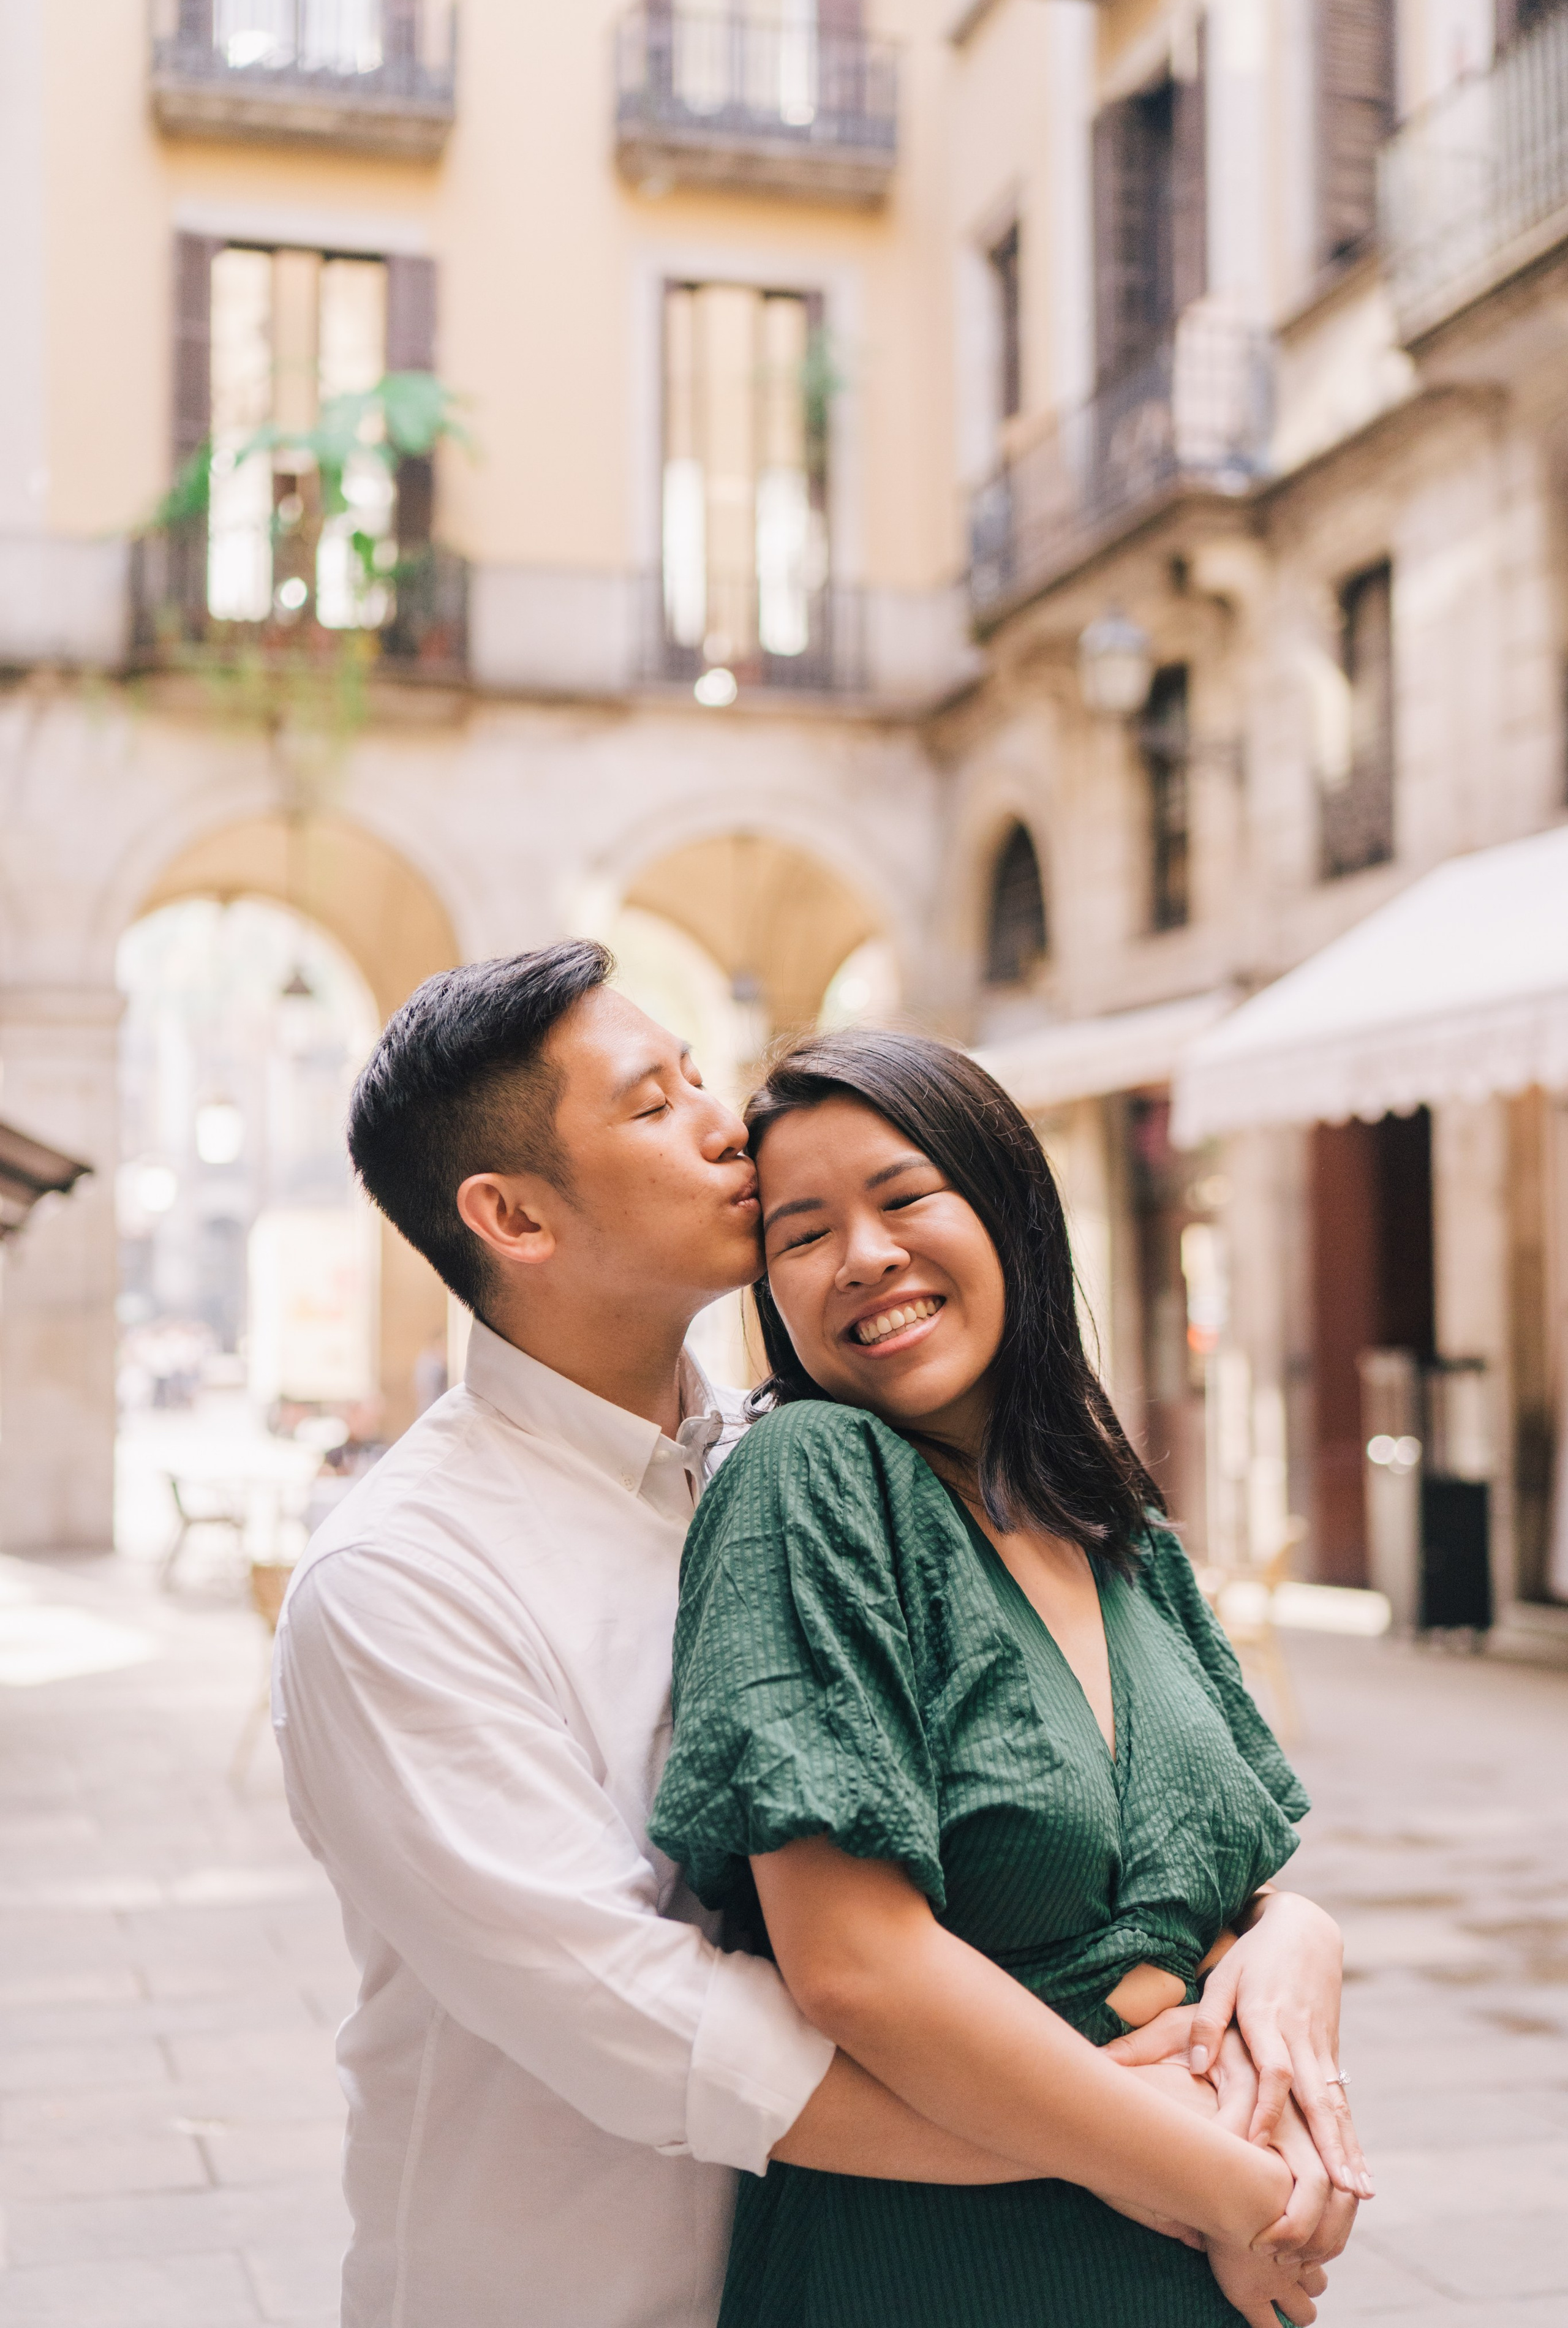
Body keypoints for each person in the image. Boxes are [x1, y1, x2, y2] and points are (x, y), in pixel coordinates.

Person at [273, 944, 1362, 2328]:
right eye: (654, 1104)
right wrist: (1155, 2156)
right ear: (514, 1217)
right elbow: (641, 2022)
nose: (724, 1124)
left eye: (694, 1077)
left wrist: (1289, 1935)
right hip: (578, 2290)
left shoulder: (828, 1463)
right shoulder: (402, 1580)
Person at [650, 1027, 1371, 2328]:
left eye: (903, 1196)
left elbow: (1222, 1883)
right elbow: (852, 1967)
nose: (862, 1255)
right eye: (800, 1233)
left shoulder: (1113, 1528)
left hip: (1182, 2257)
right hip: (941, 2265)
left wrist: (1296, 1942)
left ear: (1010, 1209)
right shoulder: (809, 1479)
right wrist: (1234, 2191)